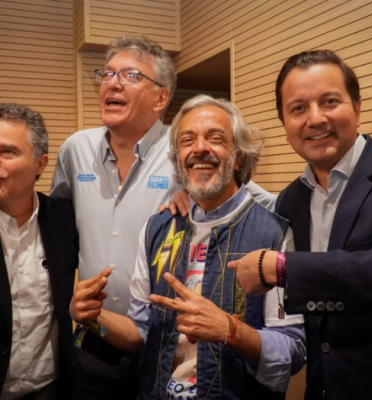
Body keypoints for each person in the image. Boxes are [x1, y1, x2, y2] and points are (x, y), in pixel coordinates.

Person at [51, 35, 275, 398]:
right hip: (98, 330)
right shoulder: (75, 149)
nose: (112, 83)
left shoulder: (187, 147)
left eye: (129, 75)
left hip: (162, 343)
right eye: (107, 73)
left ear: (161, 98)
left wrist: (197, 190)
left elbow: (253, 200)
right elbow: (58, 230)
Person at [70, 95, 306, 399]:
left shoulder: (274, 234)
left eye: (216, 138)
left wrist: (231, 331)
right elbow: (141, 335)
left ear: (238, 158)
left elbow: (291, 353)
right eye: (187, 140)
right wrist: (94, 320)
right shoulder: (156, 230)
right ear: (178, 160)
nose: (200, 148)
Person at [229, 50, 372, 399]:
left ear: (358, 108)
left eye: (329, 102)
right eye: (298, 108)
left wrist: (282, 267)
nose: (315, 118)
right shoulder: (290, 200)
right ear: (285, 124)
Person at [0, 103, 78, 400]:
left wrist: (181, 194)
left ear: (40, 164)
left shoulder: (63, 219)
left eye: (7, 152)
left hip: (49, 389)